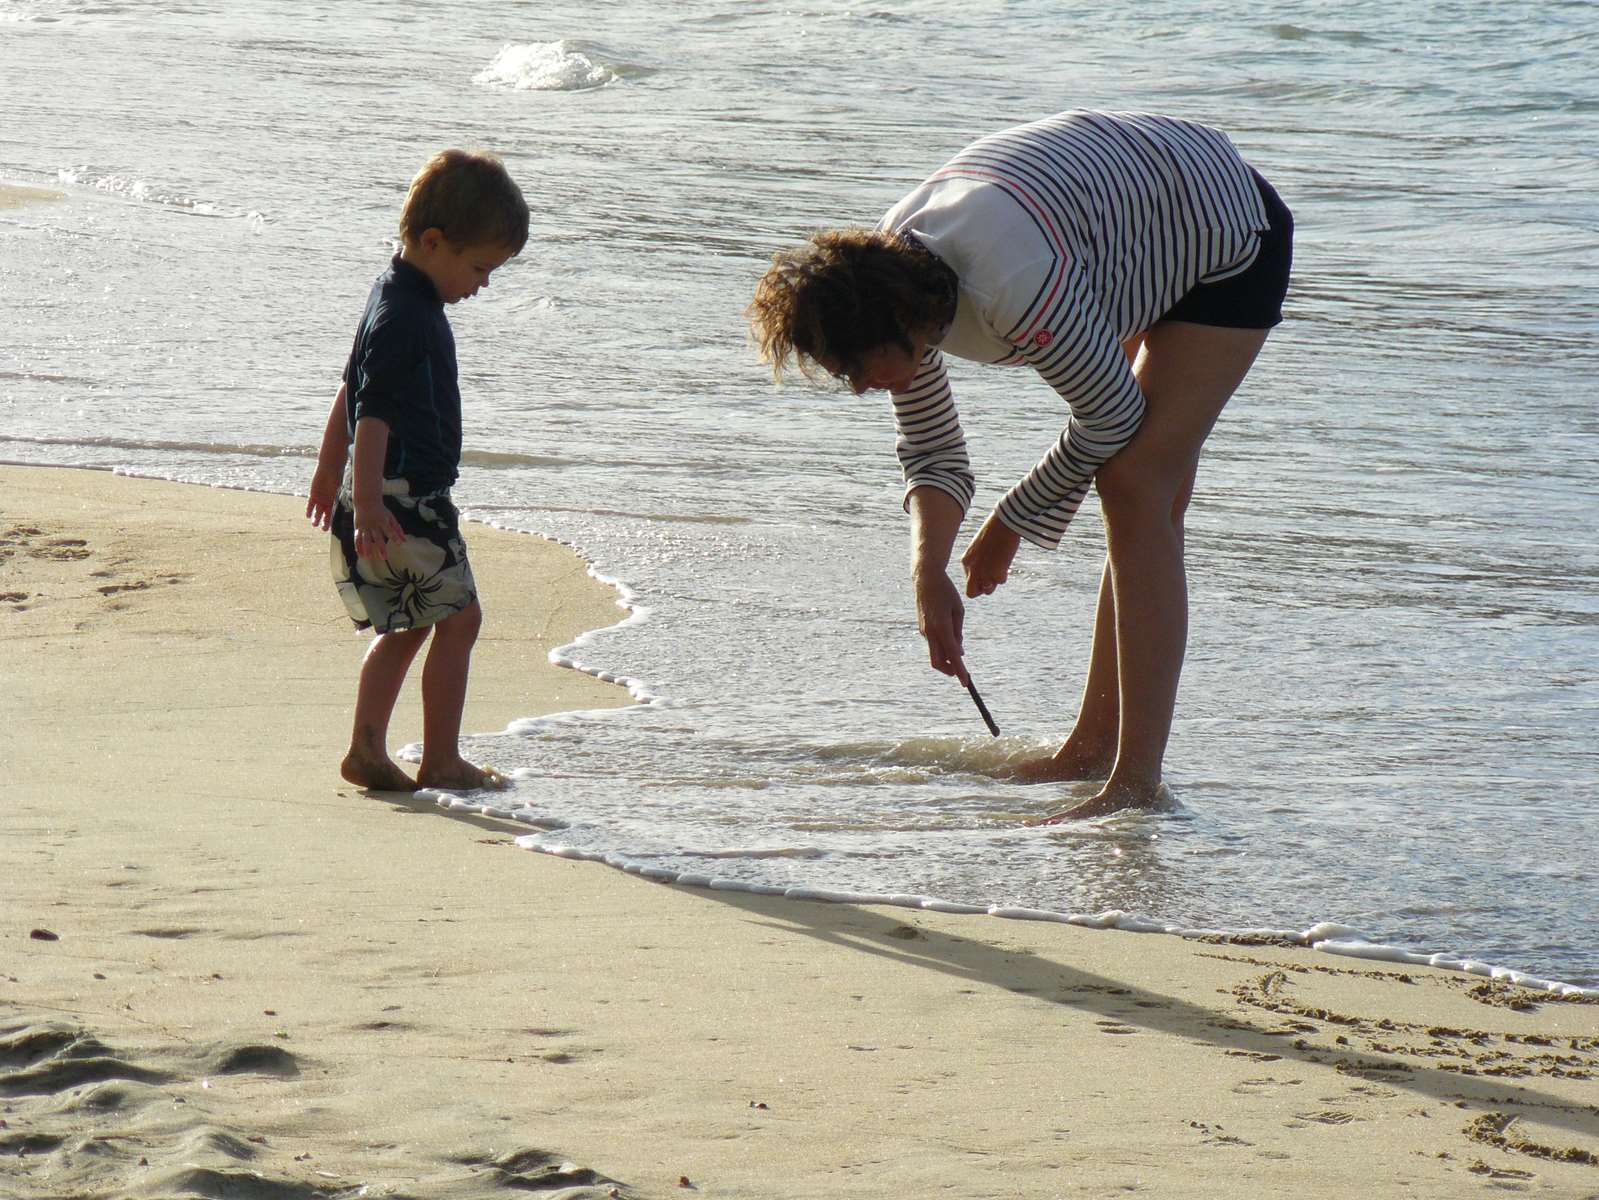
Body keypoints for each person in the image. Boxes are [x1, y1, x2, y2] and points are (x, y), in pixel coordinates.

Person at [748, 110, 1293, 821]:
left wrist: (1011, 520)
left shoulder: (1013, 287)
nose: (854, 385)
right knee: (1142, 491)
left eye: (856, 367)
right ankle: (1092, 747)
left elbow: (1111, 418)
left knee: (1134, 482)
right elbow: (934, 450)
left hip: (1221, 227)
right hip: (1119, 231)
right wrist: (927, 571)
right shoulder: (894, 281)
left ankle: (1135, 785)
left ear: (906, 326)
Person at [306, 149, 529, 793]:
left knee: (410, 622)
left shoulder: (390, 293)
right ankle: (440, 759)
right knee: (459, 619)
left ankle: (369, 749)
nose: (482, 283)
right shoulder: (409, 317)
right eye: (479, 266)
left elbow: (350, 386)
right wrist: (369, 500)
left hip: (380, 493)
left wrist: (331, 475)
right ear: (433, 242)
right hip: (404, 501)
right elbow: (372, 412)